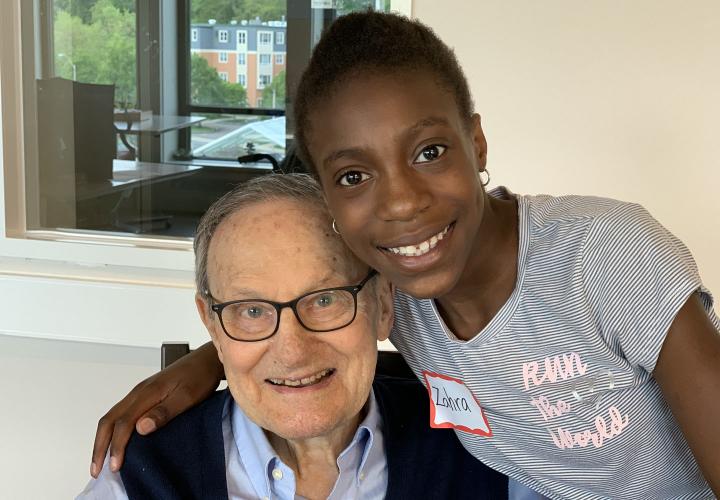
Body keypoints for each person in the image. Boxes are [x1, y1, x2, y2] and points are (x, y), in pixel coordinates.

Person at [90, 11, 720, 499]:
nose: (401, 204)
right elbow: (316, 336)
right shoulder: (405, 294)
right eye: (355, 176)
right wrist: (211, 363)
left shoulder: (604, 252)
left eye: (429, 152)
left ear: (476, 140)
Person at [78, 174, 508, 499]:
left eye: (325, 301)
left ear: (383, 306)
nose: (293, 351)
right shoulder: (140, 476)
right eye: (251, 311)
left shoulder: (482, 445)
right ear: (212, 325)